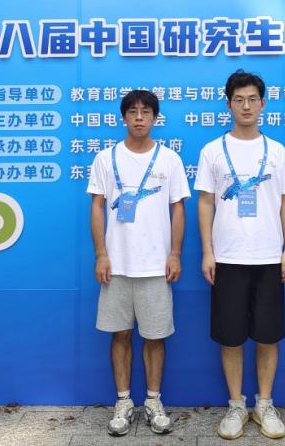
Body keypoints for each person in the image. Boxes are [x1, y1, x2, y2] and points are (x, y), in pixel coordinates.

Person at [195, 70, 285, 440]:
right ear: (229, 104)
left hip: (269, 257)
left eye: (253, 99)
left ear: (263, 103)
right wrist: (208, 251)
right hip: (228, 257)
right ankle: (236, 404)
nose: (246, 106)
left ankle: (264, 404)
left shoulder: (277, 151)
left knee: (268, 336)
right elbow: (205, 203)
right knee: (231, 337)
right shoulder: (212, 150)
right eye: (239, 100)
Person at [88, 89, 190, 436]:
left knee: (155, 337)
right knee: (120, 335)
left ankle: (153, 401)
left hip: (155, 266)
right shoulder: (106, 158)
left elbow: (178, 208)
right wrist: (101, 254)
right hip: (116, 266)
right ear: (123, 117)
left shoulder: (169, 159)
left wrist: (174, 253)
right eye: (132, 111)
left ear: (155, 118)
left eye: (146, 112)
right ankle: (123, 402)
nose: (139, 117)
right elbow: (97, 207)